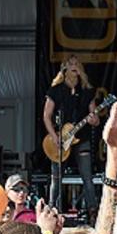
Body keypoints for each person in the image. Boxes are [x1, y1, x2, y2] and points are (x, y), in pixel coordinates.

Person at [43, 55, 100, 218]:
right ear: (65, 69)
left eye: (77, 64)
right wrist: (54, 136)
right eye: (70, 64)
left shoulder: (87, 91)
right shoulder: (56, 90)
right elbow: (47, 115)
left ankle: (92, 211)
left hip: (82, 138)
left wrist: (93, 119)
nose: (74, 66)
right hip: (60, 139)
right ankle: (52, 210)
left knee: (87, 176)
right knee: (56, 178)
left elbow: (95, 119)